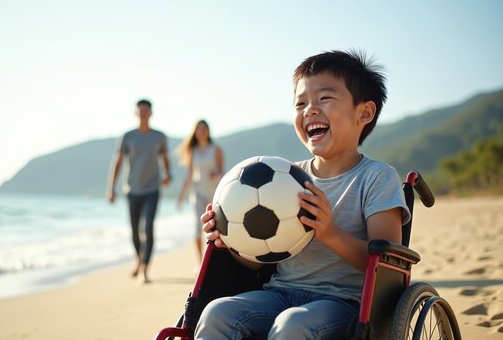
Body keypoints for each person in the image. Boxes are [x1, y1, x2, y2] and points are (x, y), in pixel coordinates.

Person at [195, 50, 411, 339]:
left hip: (344, 304)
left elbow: (388, 264)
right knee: (216, 314)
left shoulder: (376, 178)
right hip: (278, 294)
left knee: (292, 324)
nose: (309, 110)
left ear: (364, 113)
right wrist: (230, 241)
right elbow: (260, 259)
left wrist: (330, 232)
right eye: (300, 103)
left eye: (324, 98)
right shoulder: (285, 176)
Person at [107, 98, 172, 284]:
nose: (143, 112)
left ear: (151, 112)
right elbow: (118, 162)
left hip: (152, 189)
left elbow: (165, 158)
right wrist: (111, 188)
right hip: (132, 190)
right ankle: (138, 258)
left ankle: (144, 268)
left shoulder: (159, 136)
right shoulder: (128, 136)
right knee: (135, 231)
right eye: (140, 110)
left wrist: (168, 174)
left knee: (148, 227)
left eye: (146, 110)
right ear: (136, 112)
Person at [176, 120, 224, 263]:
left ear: (208, 131)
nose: (202, 131)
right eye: (199, 129)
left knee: (216, 228)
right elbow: (189, 175)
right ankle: (200, 263)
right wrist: (181, 197)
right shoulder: (193, 151)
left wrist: (216, 175)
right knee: (198, 228)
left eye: (204, 128)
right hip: (198, 193)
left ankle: (215, 261)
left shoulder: (216, 149)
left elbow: (223, 171)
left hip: (214, 194)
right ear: (195, 132)